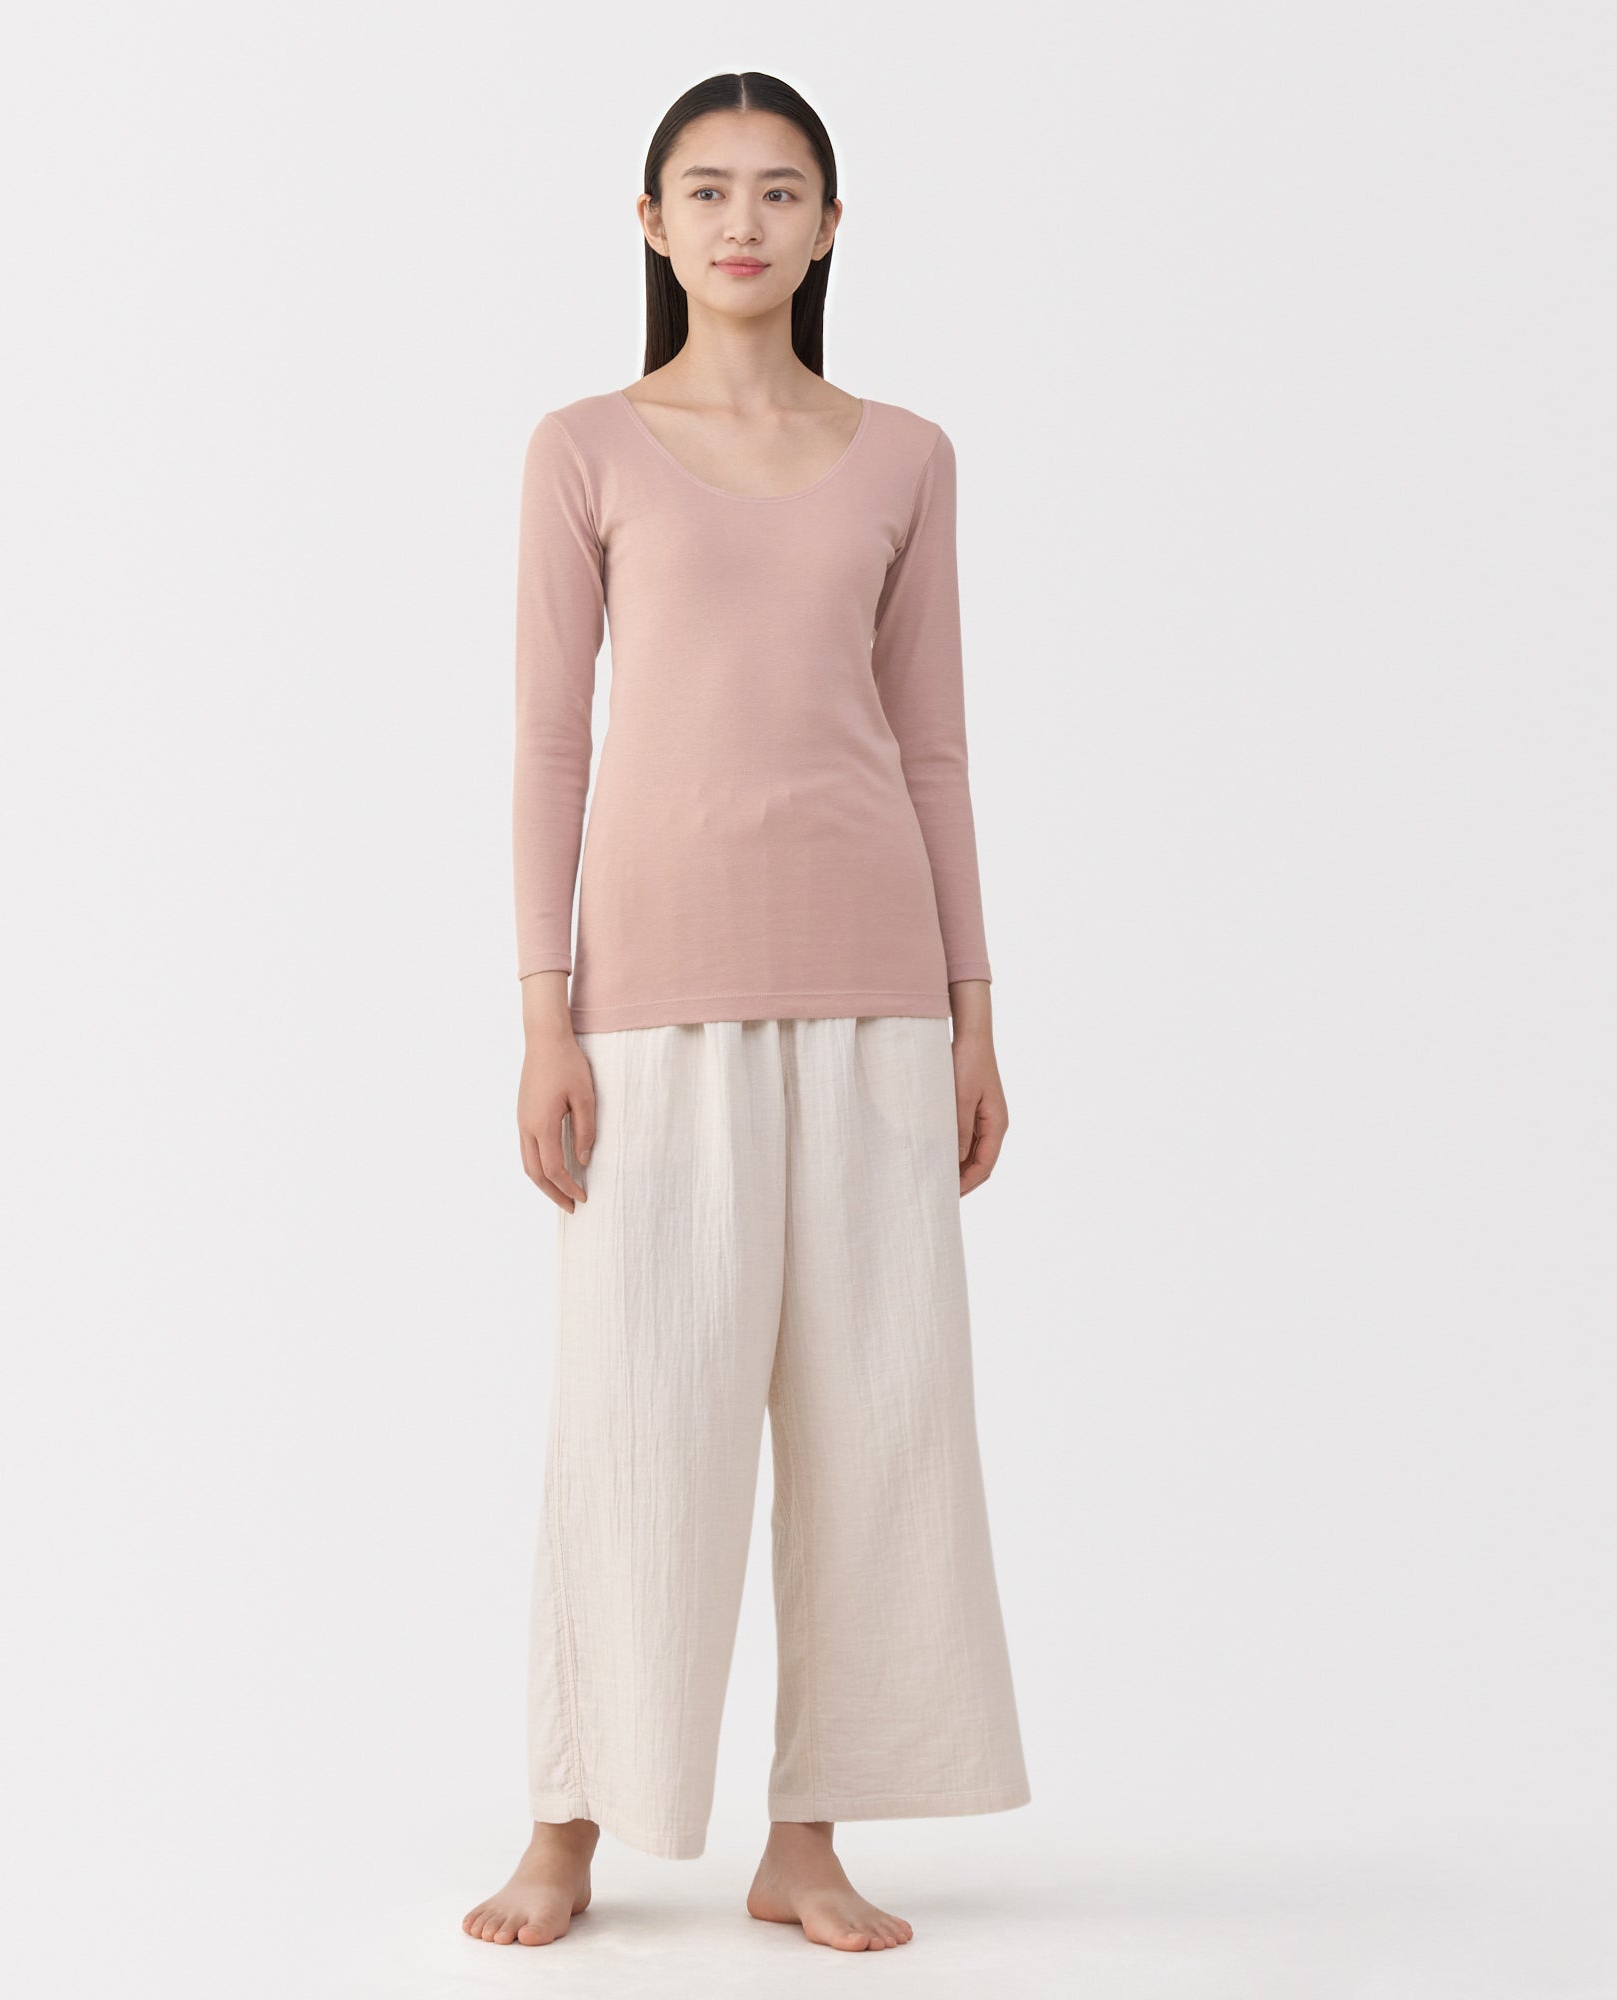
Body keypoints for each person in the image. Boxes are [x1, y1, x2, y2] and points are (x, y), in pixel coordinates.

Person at [465, 71, 1030, 1955]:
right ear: (651, 224)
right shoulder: (584, 450)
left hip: (874, 992)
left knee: (879, 1427)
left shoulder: (908, 456)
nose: (743, 221)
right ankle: (569, 1823)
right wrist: (544, 1018)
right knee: (640, 1419)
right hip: (653, 1002)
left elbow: (934, 747)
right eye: (706, 190)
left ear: (830, 228)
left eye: (781, 191)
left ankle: (808, 1842)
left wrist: (972, 1012)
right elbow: (550, 744)